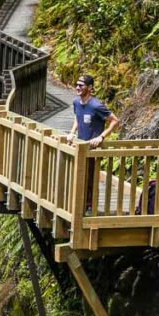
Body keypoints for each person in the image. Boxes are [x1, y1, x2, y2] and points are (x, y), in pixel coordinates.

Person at [69, 74, 119, 213]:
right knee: (79, 176)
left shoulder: (96, 105)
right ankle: (80, 205)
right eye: (77, 84)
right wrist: (72, 132)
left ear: (90, 88)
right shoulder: (76, 102)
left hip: (92, 148)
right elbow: (77, 117)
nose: (77, 87)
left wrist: (101, 137)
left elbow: (115, 120)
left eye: (81, 85)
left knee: (90, 178)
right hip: (79, 145)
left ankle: (90, 206)